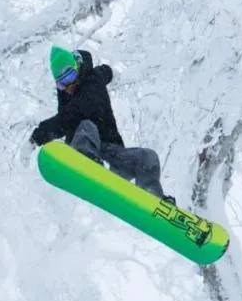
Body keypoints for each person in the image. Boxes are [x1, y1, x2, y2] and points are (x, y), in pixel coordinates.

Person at [29, 45, 175, 205]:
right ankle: (86, 163)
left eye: (69, 78)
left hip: (112, 153)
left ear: (77, 68)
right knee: (86, 126)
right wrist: (36, 138)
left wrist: (112, 73)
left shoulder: (93, 81)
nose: (67, 87)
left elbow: (105, 72)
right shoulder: (68, 99)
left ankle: (152, 198)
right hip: (81, 147)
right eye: (61, 84)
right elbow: (63, 120)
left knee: (148, 157)